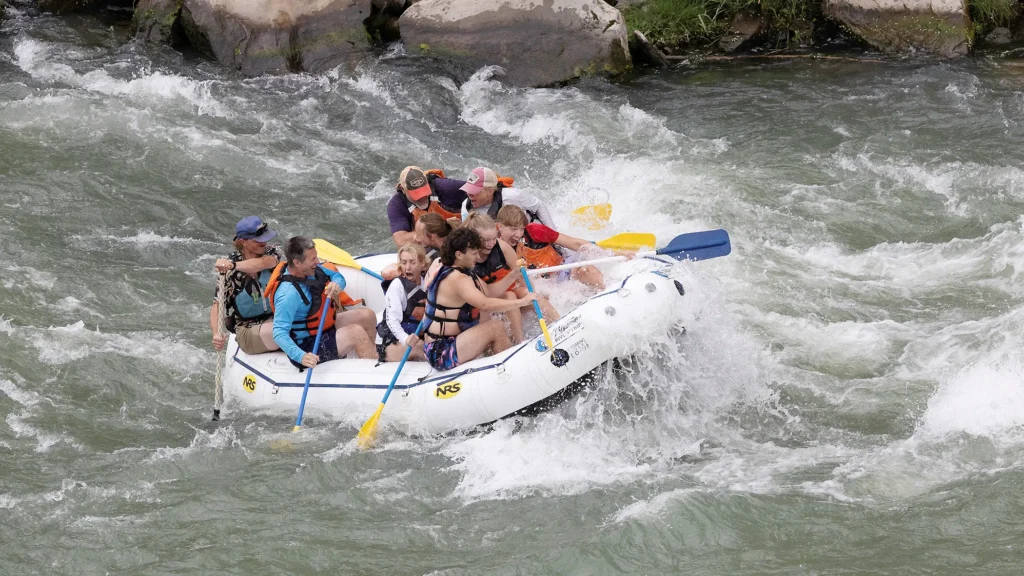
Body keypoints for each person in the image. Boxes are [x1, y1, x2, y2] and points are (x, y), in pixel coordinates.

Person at [414, 227, 537, 372]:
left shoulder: (460, 270)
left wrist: (513, 275)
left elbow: (490, 292)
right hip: (442, 351)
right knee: (495, 327)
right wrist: (521, 302)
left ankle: (501, 358)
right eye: (473, 253)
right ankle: (513, 369)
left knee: (484, 319)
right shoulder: (457, 278)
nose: (478, 257)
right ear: (459, 254)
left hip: (454, 340)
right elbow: (485, 304)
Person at [265, 236, 378, 368]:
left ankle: (370, 355)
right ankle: (373, 370)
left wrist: (337, 284)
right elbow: (279, 332)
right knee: (356, 332)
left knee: (367, 315)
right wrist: (300, 356)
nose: (318, 262)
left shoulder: (312, 270)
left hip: (323, 328)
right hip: (307, 347)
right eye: (313, 259)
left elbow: (337, 277)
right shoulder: (287, 294)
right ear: (297, 263)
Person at [461, 213, 559, 343]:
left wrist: (533, 293)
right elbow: (485, 295)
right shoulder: (466, 257)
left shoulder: (501, 246)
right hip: (484, 306)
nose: (490, 244)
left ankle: (559, 323)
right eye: (485, 240)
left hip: (508, 299)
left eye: (493, 239)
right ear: (472, 238)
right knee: (509, 296)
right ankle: (518, 342)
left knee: (525, 293)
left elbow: (523, 278)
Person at [210, 216, 283, 355]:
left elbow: (262, 263)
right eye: (258, 240)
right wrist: (216, 334)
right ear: (243, 242)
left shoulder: (272, 252)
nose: (264, 243)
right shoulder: (229, 273)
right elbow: (217, 305)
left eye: (265, 238)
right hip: (248, 330)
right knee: (281, 331)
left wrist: (233, 265)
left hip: (276, 319)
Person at [495, 205, 607, 289]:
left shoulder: (535, 231)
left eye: (521, 228)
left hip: (562, 269)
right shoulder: (493, 246)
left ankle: (606, 289)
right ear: (500, 226)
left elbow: (574, 243)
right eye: (513, 229)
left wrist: (607, 253)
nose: (519, 234)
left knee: (585, 270)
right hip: (541, 287)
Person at [386, 166, 467, 246]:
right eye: (416, 193)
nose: (422, 197)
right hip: (427, 246)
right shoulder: (397, 204)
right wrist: (442, 227)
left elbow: (477, 190)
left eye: (423, 191)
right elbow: (401, 241)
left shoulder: (445, 186)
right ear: (403, 189)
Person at [376, 244, 429, 363]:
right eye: (404, 263)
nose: (408, 267)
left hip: (415, 334)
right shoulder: (397, 286)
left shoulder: (427, 282)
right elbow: (392, 321)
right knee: (421, 346)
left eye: (412, 262)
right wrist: (405, 339)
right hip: (392, 342)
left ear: (422, 264)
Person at [459, 166, 558, 230]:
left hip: (529, 233)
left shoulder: (512, 196)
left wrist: (552, 233)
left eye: (474, 191)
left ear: (490, 191)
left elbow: (539, 206)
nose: (469, 194)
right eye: (468, 190)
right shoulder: (466, 206)